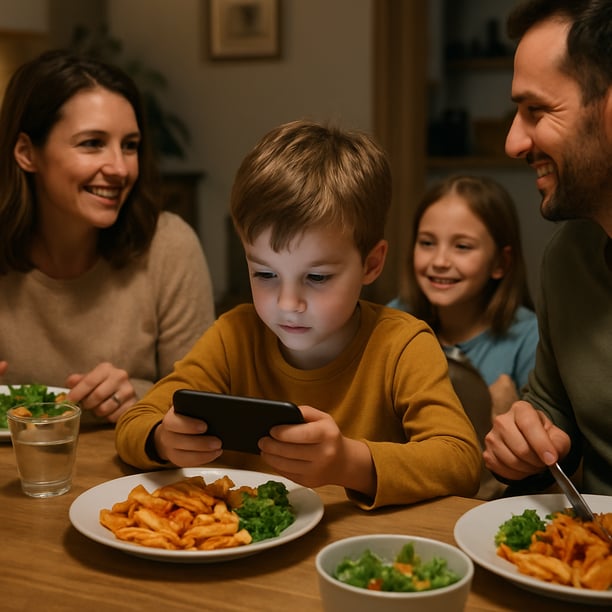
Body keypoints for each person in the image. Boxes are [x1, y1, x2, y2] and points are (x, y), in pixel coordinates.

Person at [115, 119, 481, 510]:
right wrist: (161, 439)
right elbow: (136, 420)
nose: (288, 303)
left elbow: (461, 461)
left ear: (371, 264)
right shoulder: (234, 335)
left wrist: (349, 462)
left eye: (317, 277)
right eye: (266, 274)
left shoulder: (402, 344)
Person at [0, 49, 215, 424]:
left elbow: (205, 401)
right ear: (26, 153)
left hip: (132, 476)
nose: (119, 168)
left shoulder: (169, 245)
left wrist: (141, 400)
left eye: (129, 145)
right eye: (92, 143)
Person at [483, 0, 612, 496]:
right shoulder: (567, 259)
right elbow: (555, 414)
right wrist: (525, 440)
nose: (514, 142)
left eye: (537, 110)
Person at [388, 175, 538, 499]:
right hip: (404, 495)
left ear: (500, 262)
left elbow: (546, 469)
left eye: (462, 246)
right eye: (427, 243)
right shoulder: (394, 321)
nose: (440, 261)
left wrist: (506, 412)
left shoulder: (529, 337)